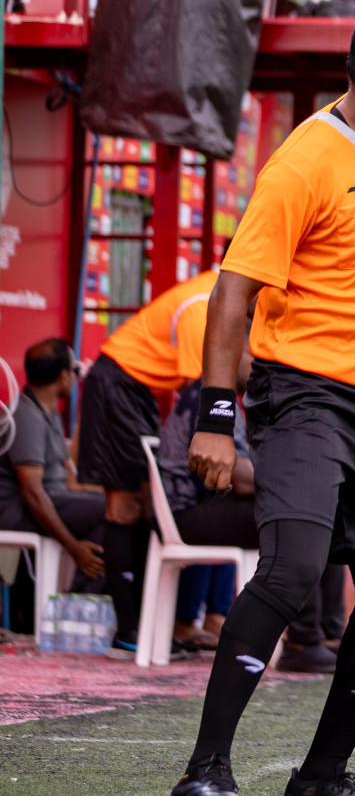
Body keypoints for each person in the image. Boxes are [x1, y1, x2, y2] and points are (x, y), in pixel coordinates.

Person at [164, 0, 355, 796]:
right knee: (294, 569)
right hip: (305, 397)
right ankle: (205, 770)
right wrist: (217, 417)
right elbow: (234, 292)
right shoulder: (304, 163)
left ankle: (322, 778)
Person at [157, 363, 343, 672]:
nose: (263, 365)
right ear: (235, 351)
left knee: (323, 516)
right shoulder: (214, 401)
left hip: (209, 505)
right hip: (188, 512)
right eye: (255, 355)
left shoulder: (227, 399)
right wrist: (301, 481)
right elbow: (241, 478)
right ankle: (303, 640)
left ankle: (328, 636)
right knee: (302, 519)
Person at [76, 268, 216, 654]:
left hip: (137, 389)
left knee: (143, 506)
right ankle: (128, 631)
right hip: (116, 382)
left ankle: (144, 626)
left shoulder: (220, 297)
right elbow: (198, 386)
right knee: (125, 505)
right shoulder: (202, 303)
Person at [0, 340, 106, 609]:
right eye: (75, 370)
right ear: (62, 375)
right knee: (110, 512)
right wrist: (74, 548)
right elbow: (33, 493)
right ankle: (78, 607)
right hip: (20, 512)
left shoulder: (50, 413)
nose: (76, 376)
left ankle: (84, 603)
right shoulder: (26, 415)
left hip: (55, 500)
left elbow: (69, 481)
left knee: (117, 507)